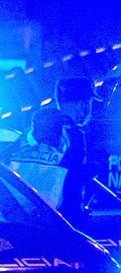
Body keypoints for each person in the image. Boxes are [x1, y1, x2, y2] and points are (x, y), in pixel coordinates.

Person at [5, 75, 102, 220]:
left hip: (15, 219)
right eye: (90, 103)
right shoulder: (74, 136)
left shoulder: (26, 135)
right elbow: (73, 184)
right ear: (82, 105)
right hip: (50, 222)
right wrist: (75, 222)